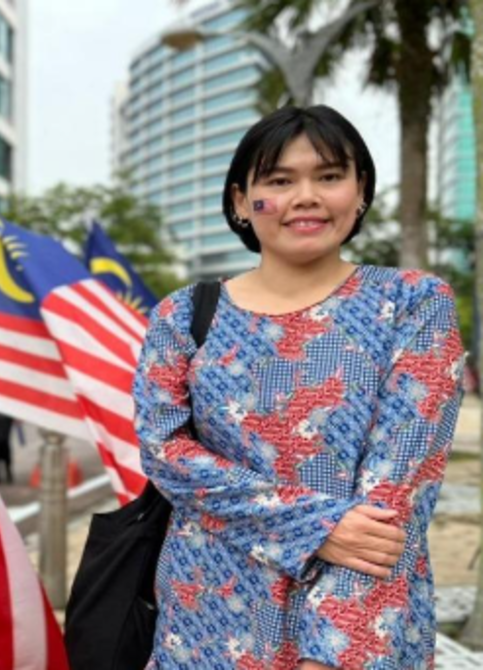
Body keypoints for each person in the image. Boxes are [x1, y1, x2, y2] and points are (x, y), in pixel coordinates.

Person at [133, 105, 465, 669]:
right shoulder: (183, 315)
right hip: (207, 618)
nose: (305, 196)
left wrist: (332, 654)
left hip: (363, 618)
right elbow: (166, 455)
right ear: (241, 200)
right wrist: (318, 525)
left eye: (330, 176)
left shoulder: (413, 303)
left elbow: (392, 503)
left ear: (361, 191)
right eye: (279, 181)